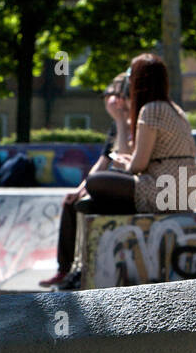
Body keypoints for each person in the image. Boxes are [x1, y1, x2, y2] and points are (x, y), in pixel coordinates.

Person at [41, 71, 132, 288]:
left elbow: (130, 159)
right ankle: (65, 268)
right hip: (111, 182)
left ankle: (89, 267)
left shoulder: (135, 122)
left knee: (88, 206)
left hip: (130, 186)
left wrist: (121, 121)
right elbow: (102, 163)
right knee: (73, 202)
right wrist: (80, 188)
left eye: (115, 95)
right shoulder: (115, 127)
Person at [85, 53, 196, 213]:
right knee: (95, 202)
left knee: (94, 182)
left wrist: (125, 163)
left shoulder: (151, 110)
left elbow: (138, 165)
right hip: (187, 192)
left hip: (165, 189)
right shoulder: (175, 109)